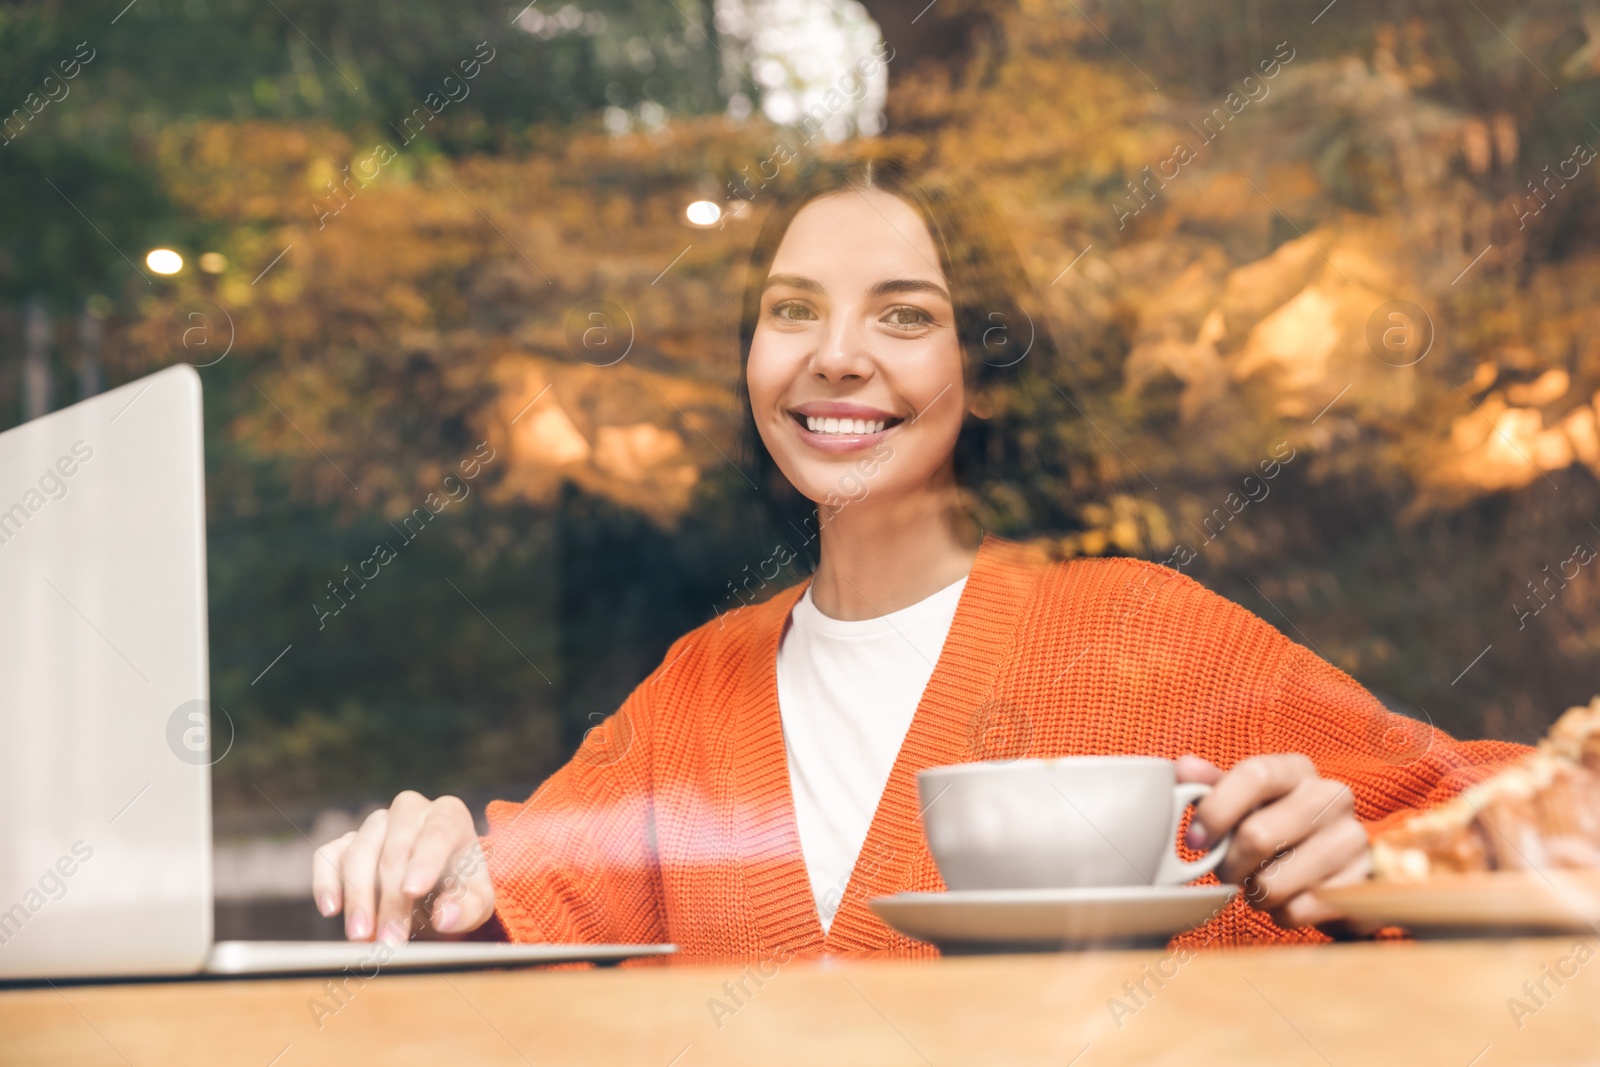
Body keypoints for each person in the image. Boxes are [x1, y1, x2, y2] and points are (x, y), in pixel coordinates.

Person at [311, 155, 1527, 957]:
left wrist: (1371, 865)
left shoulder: (1145, 630)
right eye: (791, 310)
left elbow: (1526, 823)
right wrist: (428, 863)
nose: (835, 355)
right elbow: (517, 894)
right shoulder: (694, 689)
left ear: (983, 375)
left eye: (903, 313)